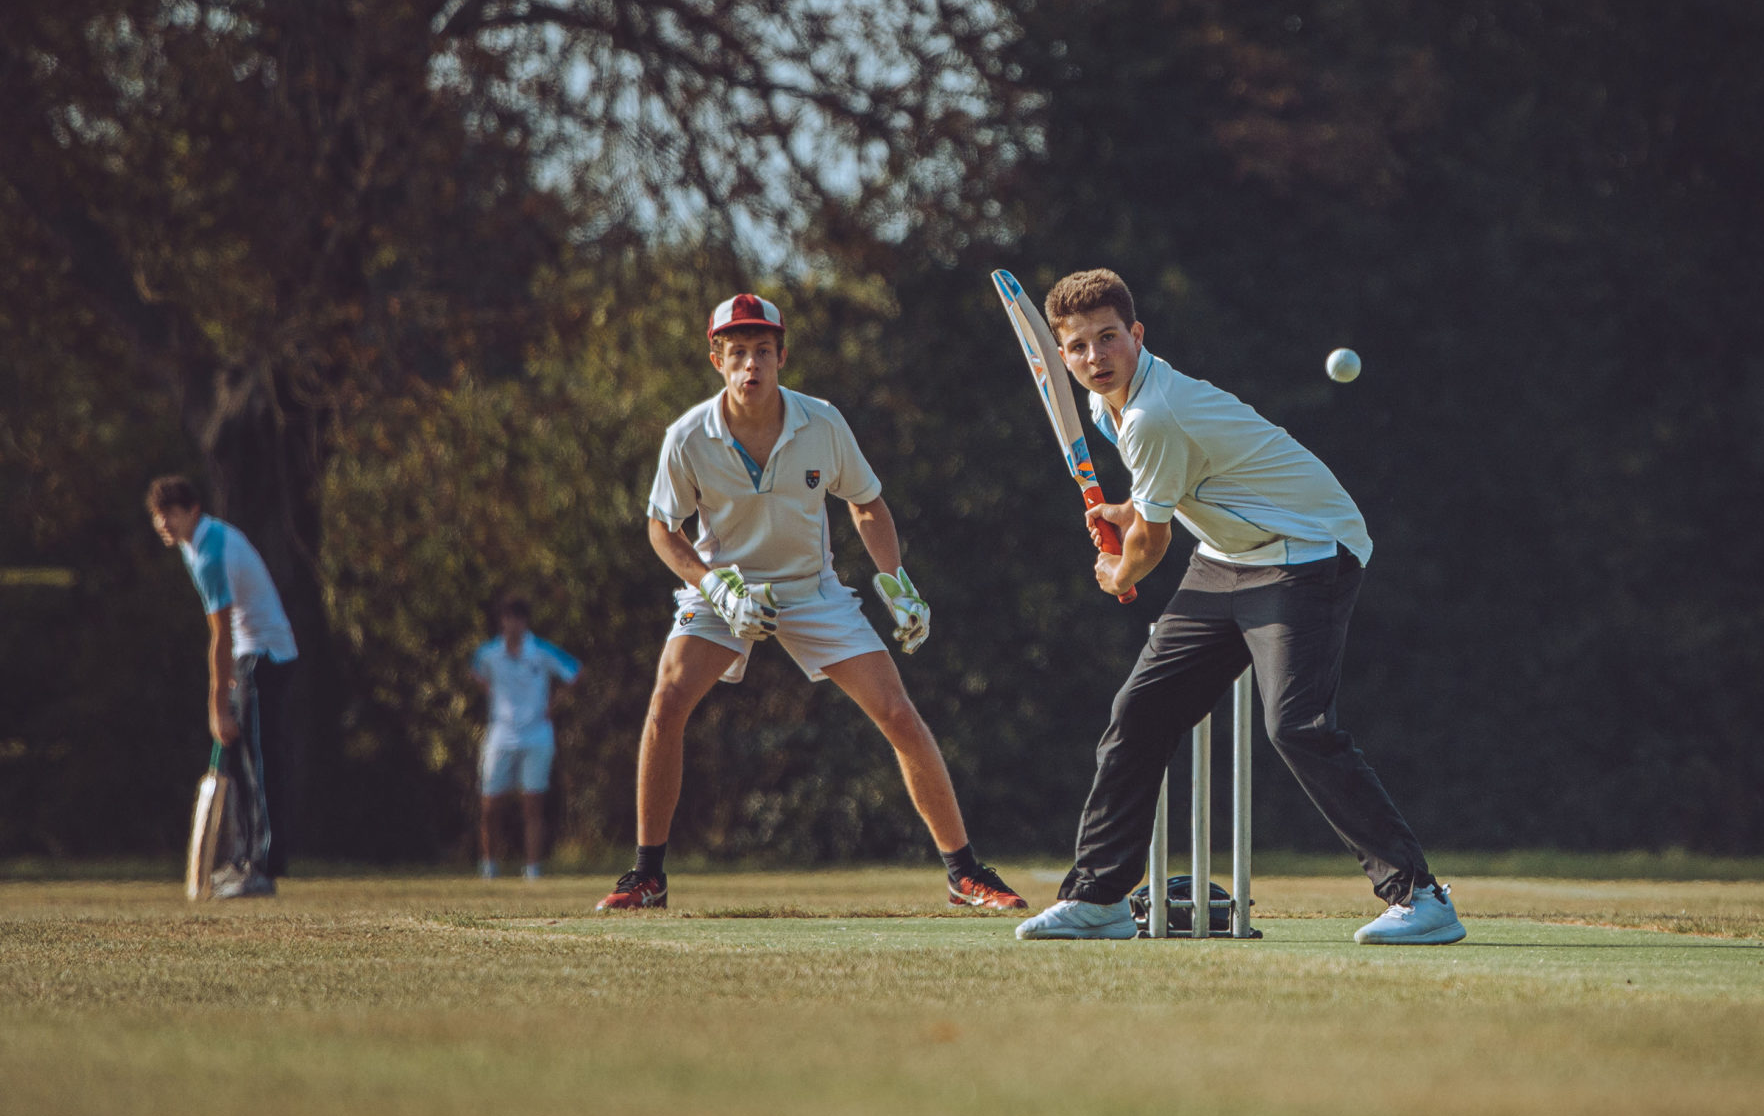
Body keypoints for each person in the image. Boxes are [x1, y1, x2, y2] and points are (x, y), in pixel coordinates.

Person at [1013, 269, 1464, 945]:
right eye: (1076, 347)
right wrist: (1129, 508)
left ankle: (1421, 897)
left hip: (1308, 550)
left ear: (1137, 335)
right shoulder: (1119, 406)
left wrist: (1117, 570)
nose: (1094, 358)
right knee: (1139, 714)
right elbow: (1174, 486)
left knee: (1297, 726)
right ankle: (1099, 897)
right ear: (1063, 354)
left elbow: (1152, 542)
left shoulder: (1152, 412)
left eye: (1108, 339)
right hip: (1229, 556)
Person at [596, 294, 1026, 912]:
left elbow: (866, 502)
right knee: (667, 699)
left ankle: (964, 873)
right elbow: (662, 528)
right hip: (722, 590)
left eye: (763, 352)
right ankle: (647, 876)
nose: (752, 367)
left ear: (782, 357)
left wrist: (898, 585)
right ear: (717, 359)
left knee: (898, 712)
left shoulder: (821, 423)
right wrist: (715, 585)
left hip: (810, 590)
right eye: (738, 353)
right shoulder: (688, 436)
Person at [147, 475, 299, 899]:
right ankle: (242, 861)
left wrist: (217, 707)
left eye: (169, 515)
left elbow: (221, 634)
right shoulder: (193, 545)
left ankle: (263, 868)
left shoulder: (211, 550)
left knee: (259, 766)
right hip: (248, 658)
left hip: (267, 654)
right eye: (158, 517)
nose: (163, 524)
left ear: (192, 510)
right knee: (242, 765)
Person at [471, 597, 580, 880]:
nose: (513, 624)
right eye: (508, 618)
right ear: (502, 621)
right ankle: (488, 866)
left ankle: (532, 869)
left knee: (533, 803)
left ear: (525, 622)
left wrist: (552, 705)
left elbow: (575, 672)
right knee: (490, 804)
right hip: (501, 733)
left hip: (536, 734)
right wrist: (493, 694)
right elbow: (475, 672)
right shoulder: (489, 653)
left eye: (518, 618)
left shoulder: (540, 651)